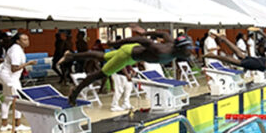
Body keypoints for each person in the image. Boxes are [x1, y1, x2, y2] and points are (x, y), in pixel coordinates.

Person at [57, 25, 195, 106]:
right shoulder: (161, 50)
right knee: (100, 74)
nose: (190, 53)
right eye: (188, 50)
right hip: (127, 55)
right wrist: (116, 43)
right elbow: (140, 40)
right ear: (180, 49)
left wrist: (145, 32)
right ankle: (74, 93)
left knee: (103, 56)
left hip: (131, 55)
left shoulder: (173, 45)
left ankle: (71, 56)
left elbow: (163, 33)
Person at [0, 32, 37, 132]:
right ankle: (18, 124)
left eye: (27, 39)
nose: (27, 41)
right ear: (18, 41)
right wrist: (28, 63)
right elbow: (14, 68)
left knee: (7, 100)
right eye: (24, 39)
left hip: (6, 76)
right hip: (10, 78)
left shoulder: (16, 48)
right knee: (19, 100)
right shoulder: (16, 50)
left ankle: (4, 125)